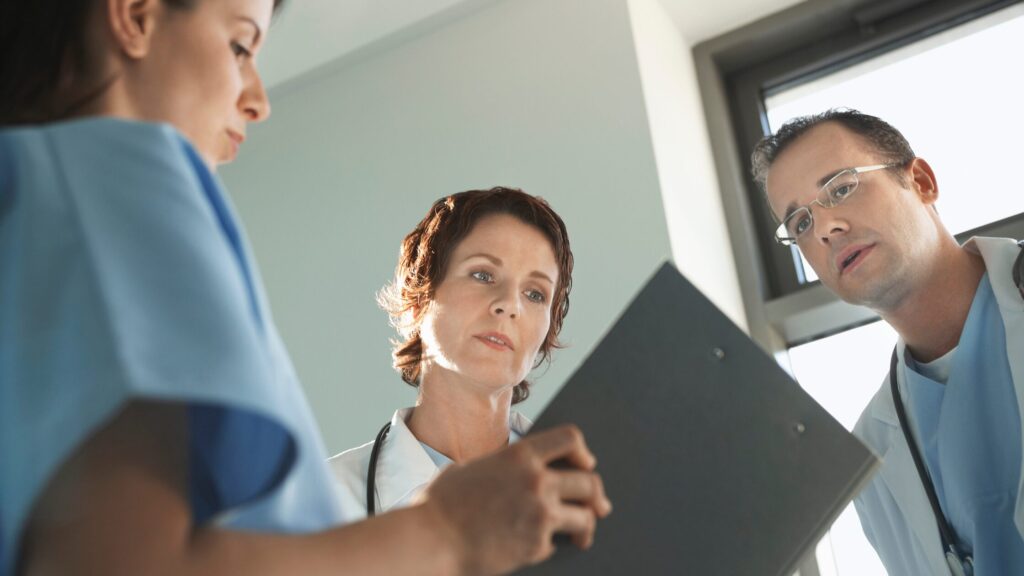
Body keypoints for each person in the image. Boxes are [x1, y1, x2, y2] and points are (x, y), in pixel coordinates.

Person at [0, 1, 611, 575]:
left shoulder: (33, 195)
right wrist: (447, 532)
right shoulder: (118, 186)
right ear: (134, 16)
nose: (259, 101)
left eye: (537, 294)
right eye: (241, 45)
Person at [752, 108, 1024, 575]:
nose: (823, 228)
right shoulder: (874, 454)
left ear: (920, 181)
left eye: (840, 188)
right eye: (799, 223)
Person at [330, 187, 573, 519]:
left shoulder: (583, 489)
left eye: (534, 294)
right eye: (483, 275)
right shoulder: (324, 502)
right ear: (417, 299)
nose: (509, 305)